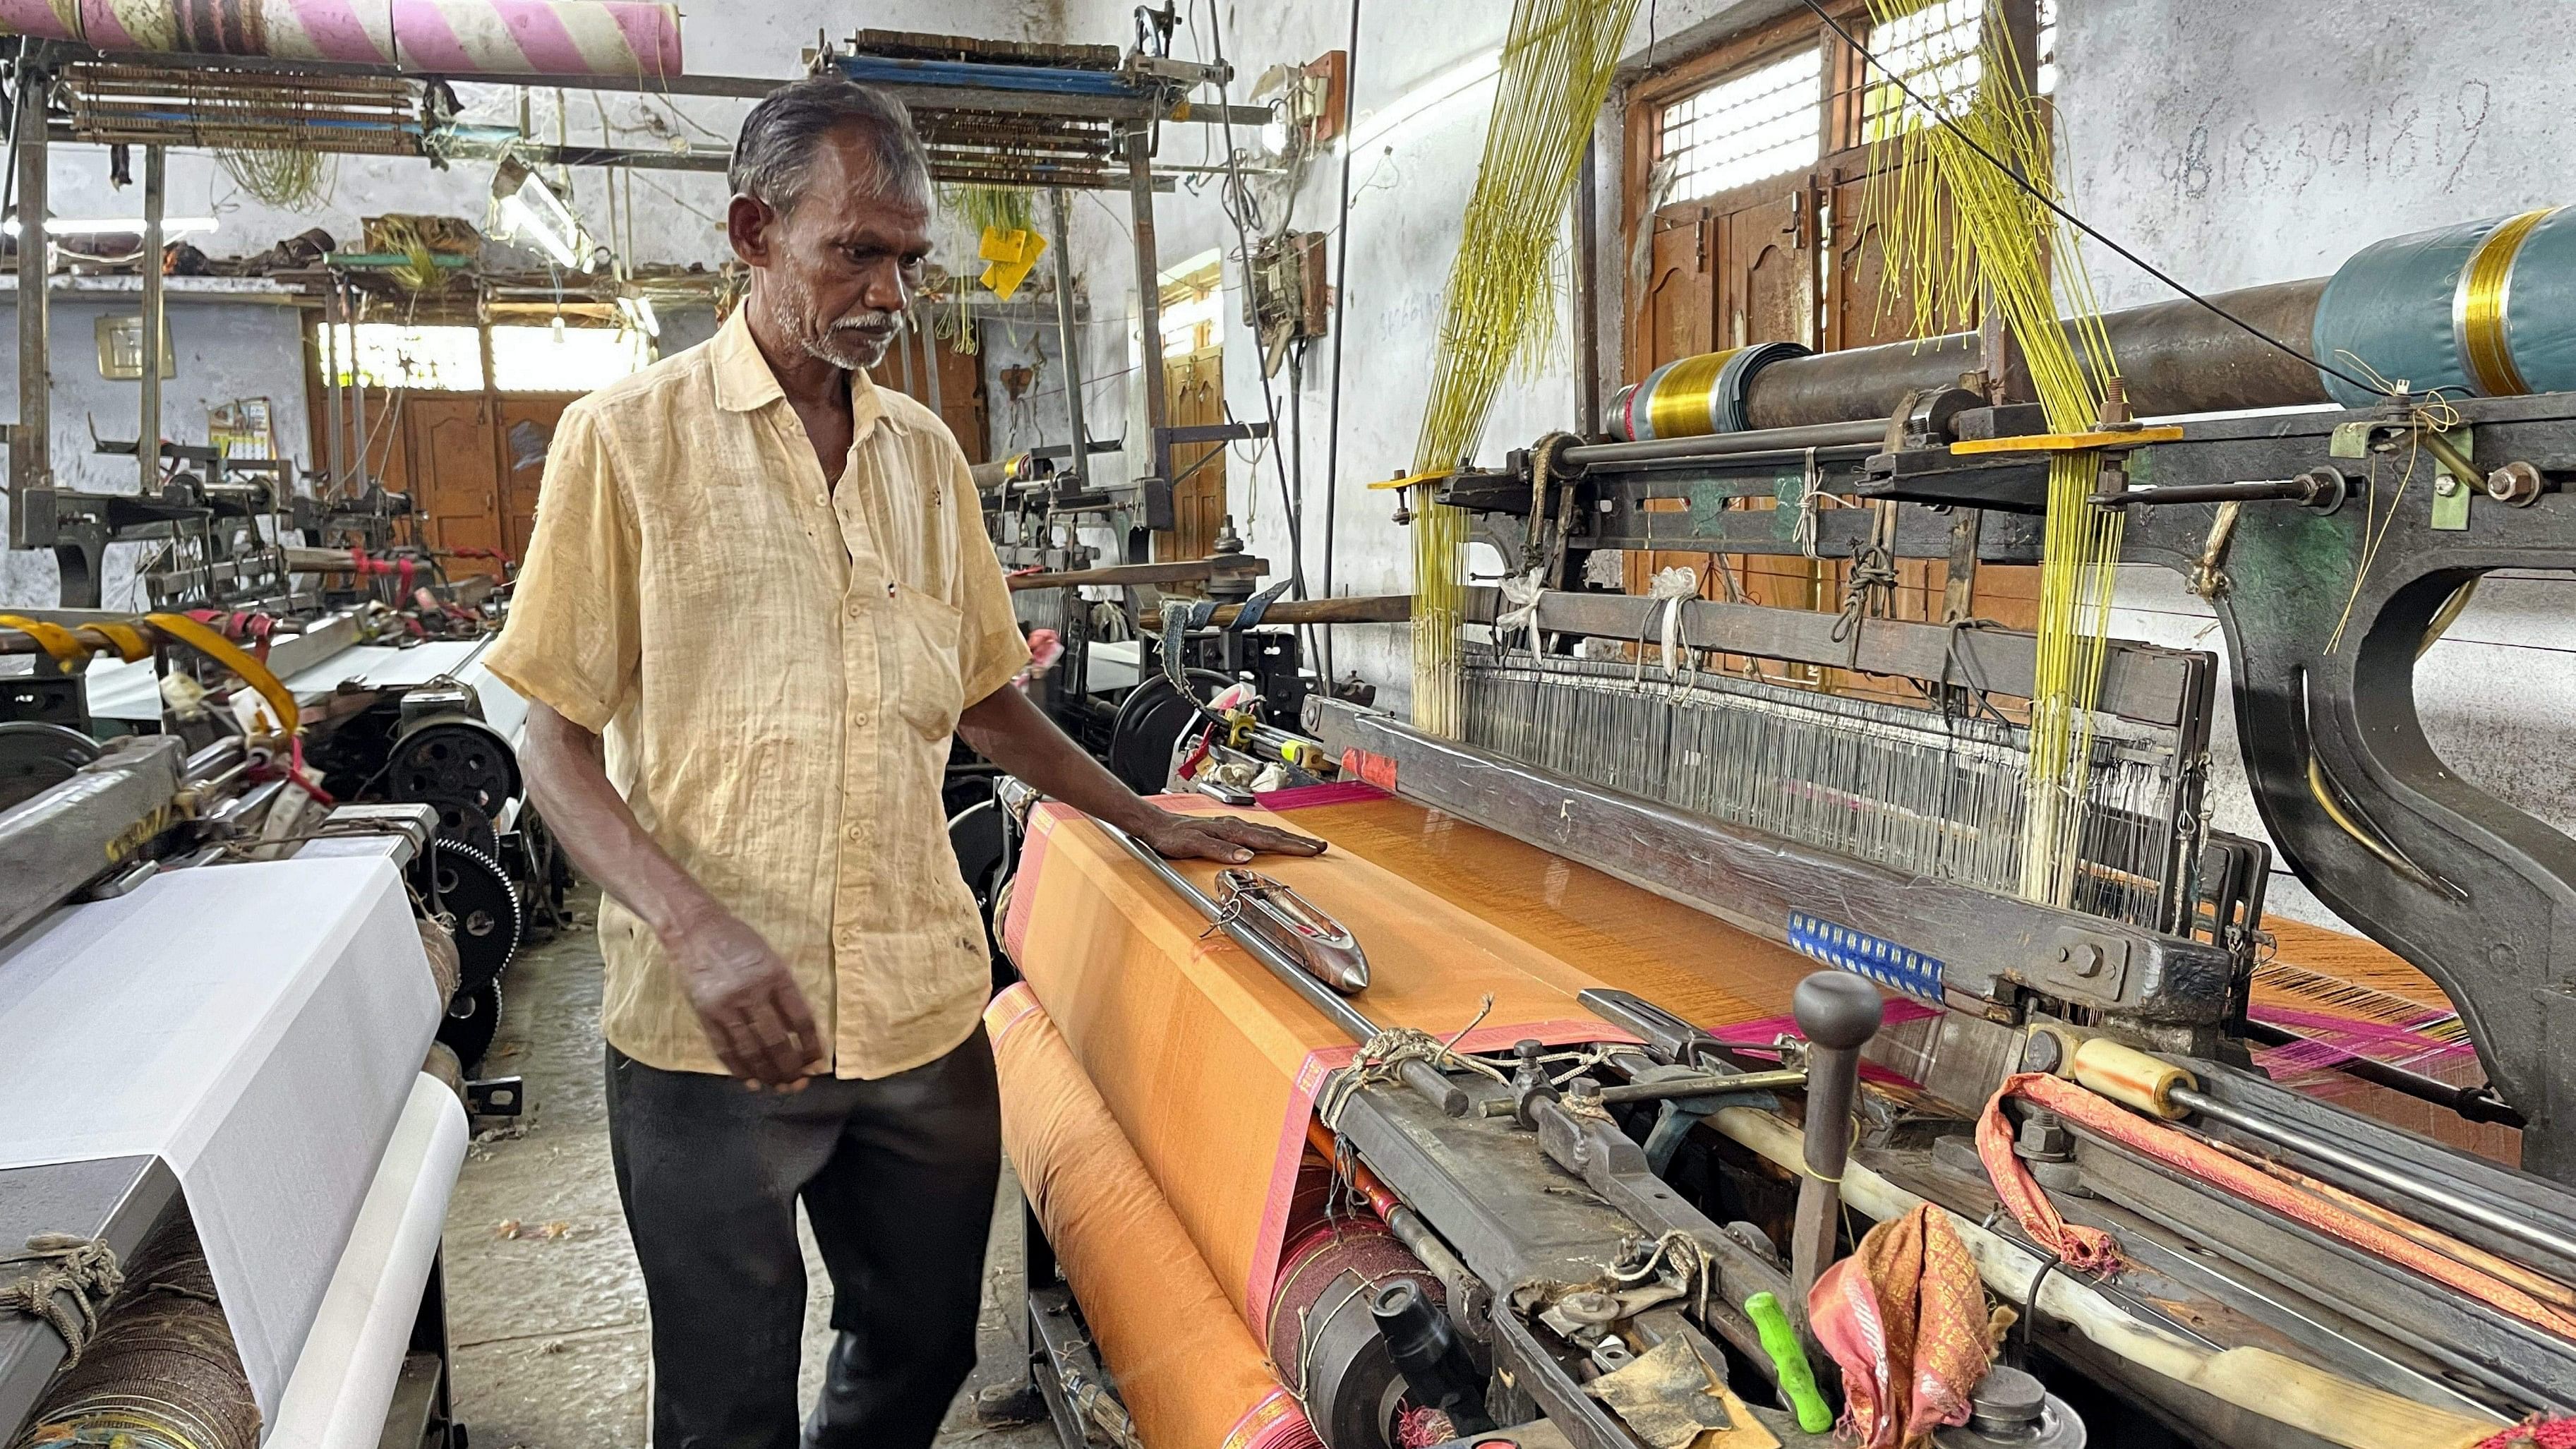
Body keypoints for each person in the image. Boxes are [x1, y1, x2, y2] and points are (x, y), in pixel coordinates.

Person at [483, 75, 1320, 1449]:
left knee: (923, 1343)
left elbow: (987, 697)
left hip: (918, 1002)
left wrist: (1138, 816)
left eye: (910, 259)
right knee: (725, 1402)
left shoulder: (924, 459)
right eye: (854, 252)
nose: (890, 290)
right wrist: (695, 931)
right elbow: (551, 747)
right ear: (753, 232)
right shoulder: (624, 448)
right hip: (712, 1036)